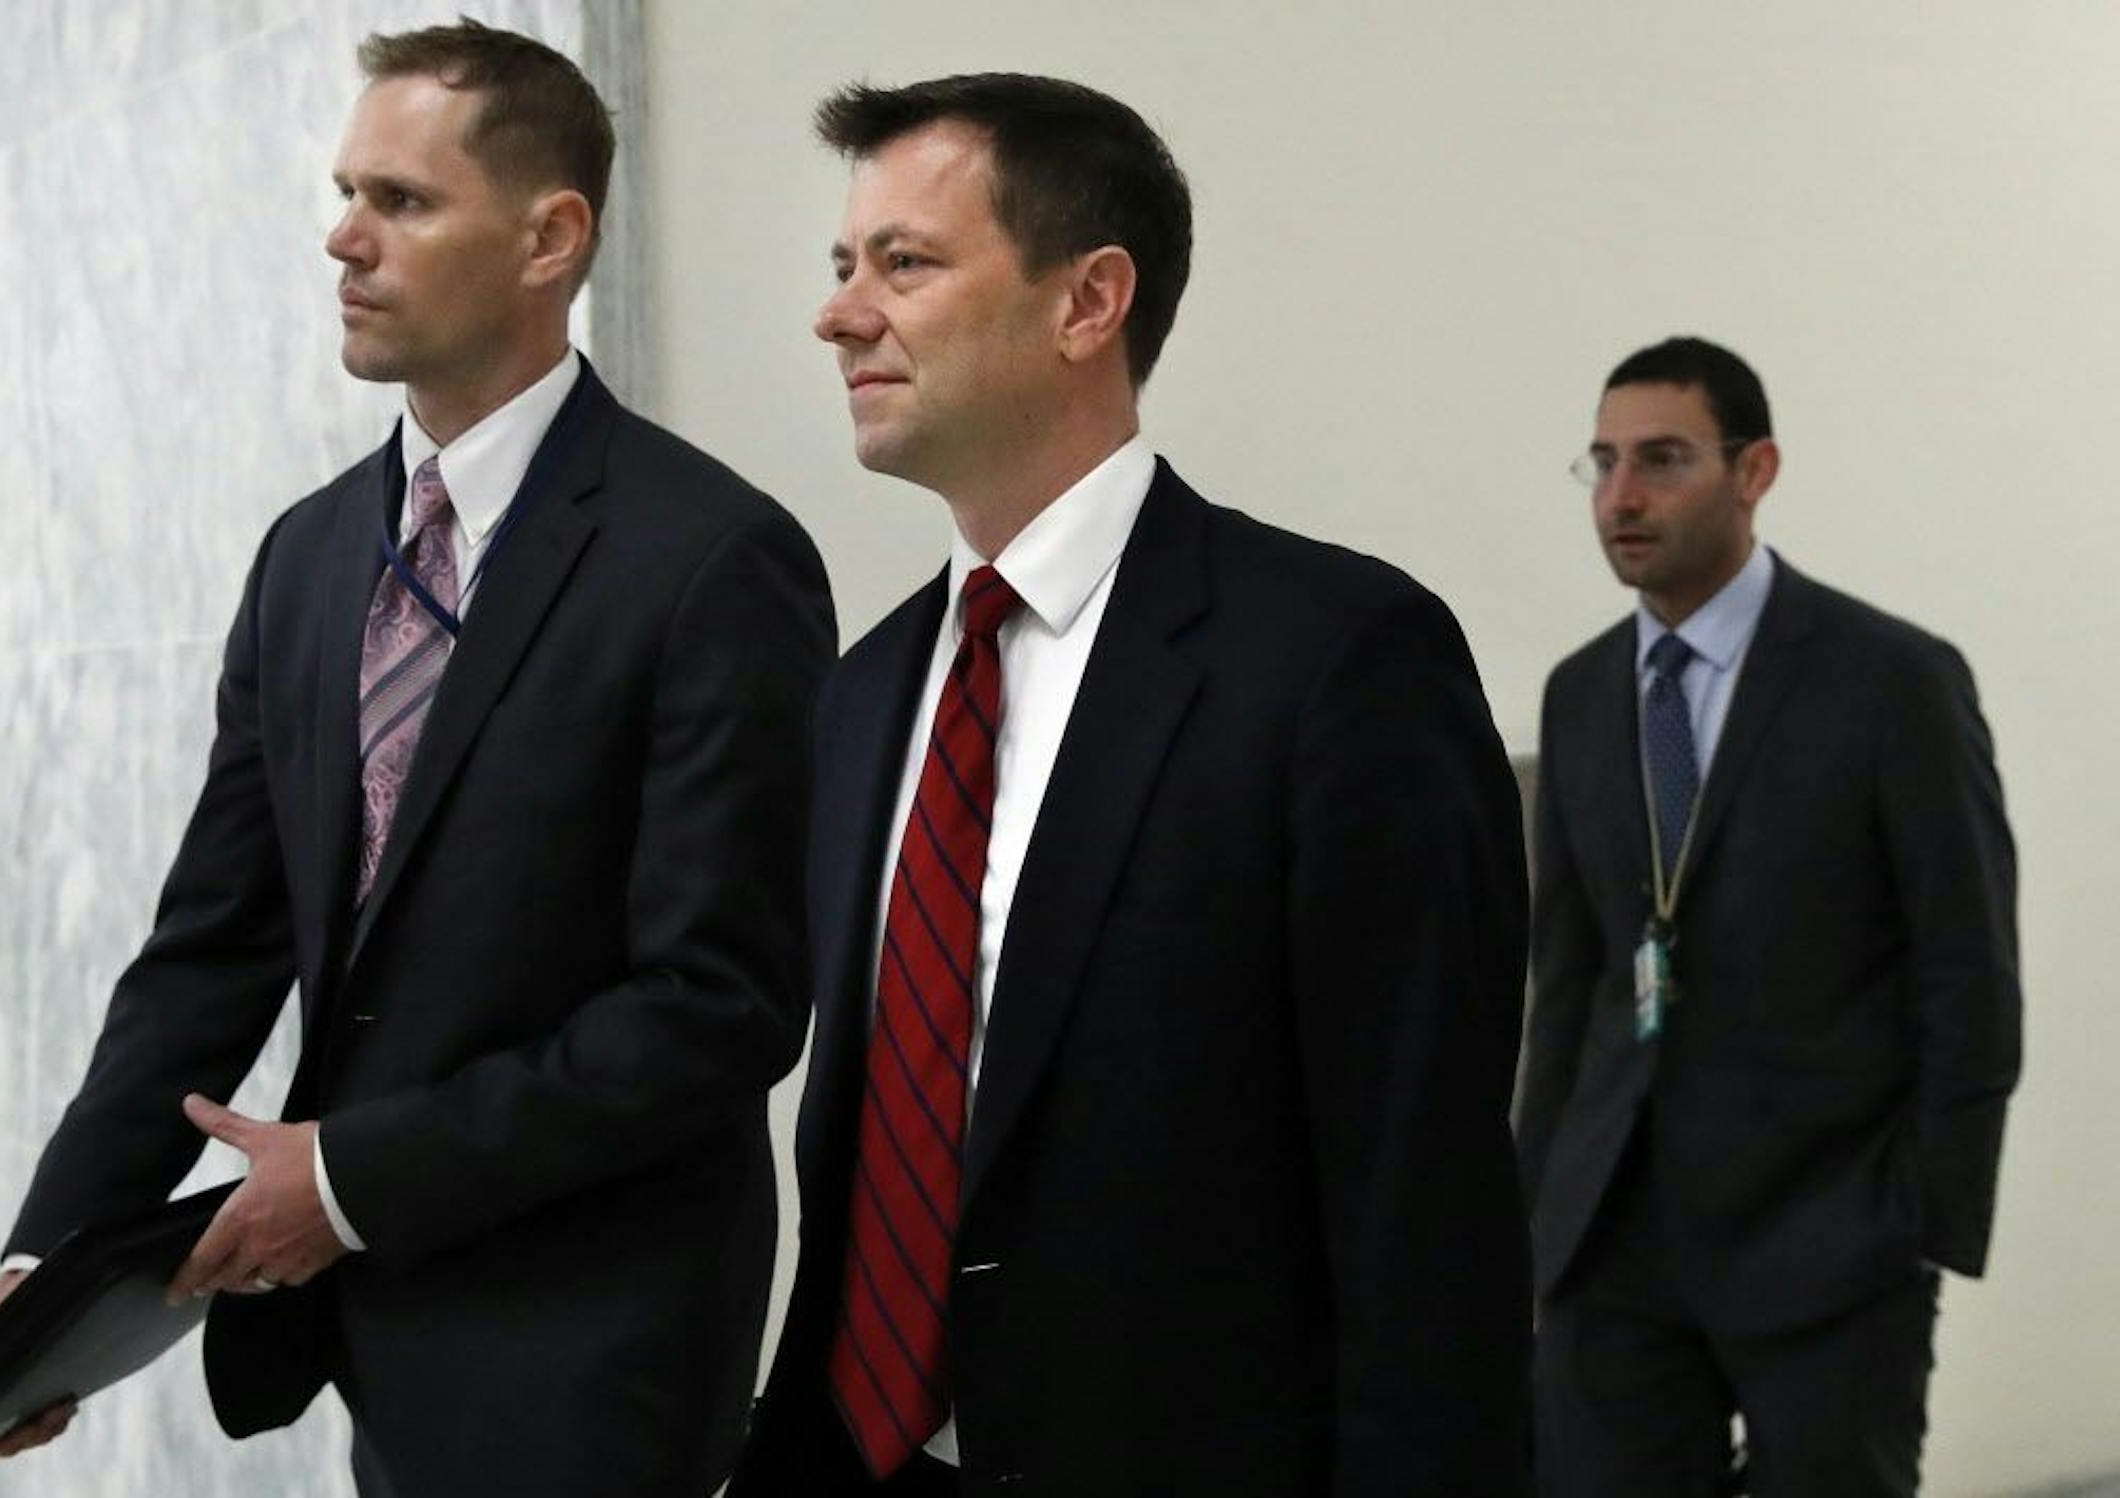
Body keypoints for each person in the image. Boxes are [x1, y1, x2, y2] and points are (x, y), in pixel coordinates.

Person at [0, 20, 833, 1497]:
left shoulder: (713, 559)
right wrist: (43, 1274)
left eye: (402, 202)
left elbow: (721, 1005)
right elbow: (212, 948)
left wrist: (353, 1180)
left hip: (598, 1341)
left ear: (552, 237)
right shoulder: (308, 556)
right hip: (375, 1339)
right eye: (345, 191)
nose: (342, 239)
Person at [729, 73, 1531, 1497]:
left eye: (903, 263)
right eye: (843, 266)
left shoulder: (1337, 658)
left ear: (1088, 302)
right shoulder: (864, 696)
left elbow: (1427, 1211)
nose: (841, 312)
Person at [1516, 336, 2021, 1497]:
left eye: (1663, 459)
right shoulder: (1585, 693)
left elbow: (1969, 971)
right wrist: (1537, 1211)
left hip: (1831, 1237)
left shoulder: (1891, 681)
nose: (1622, 497)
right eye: (1601, 463)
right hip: (1616, 1243)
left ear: (1756, 471)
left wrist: (1927, 1227)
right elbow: (1572, 976)